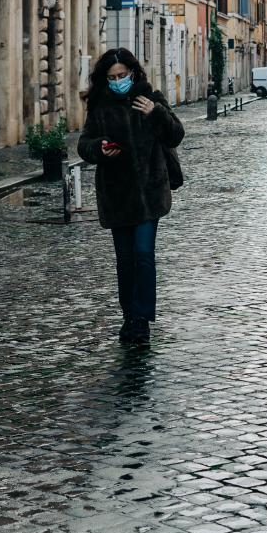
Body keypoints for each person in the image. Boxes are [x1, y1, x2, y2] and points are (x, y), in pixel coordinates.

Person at [79, 48, 185, 346]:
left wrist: (156, 112)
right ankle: (129, 315)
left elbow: (176, 134)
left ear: (134, 73)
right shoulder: (100, 106)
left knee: (143, 254)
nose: (117, 82)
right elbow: (83, 145)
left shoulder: (152, 98)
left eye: (122, 76)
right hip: (117, 195)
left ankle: (142, 320)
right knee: (125, 261)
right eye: (112, 78)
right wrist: (100, 148)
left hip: (150, 193)